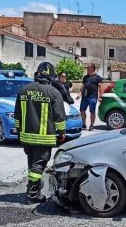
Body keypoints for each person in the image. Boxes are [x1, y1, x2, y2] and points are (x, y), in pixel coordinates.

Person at [14, 62, 67, 204]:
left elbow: (17, 116)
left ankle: (34, 191)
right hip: (44, 138)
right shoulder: (53, 92)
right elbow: (59, 117)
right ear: (50, 76)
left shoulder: (23, 91)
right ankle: (31, 195)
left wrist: (19, 132)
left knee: (32, 165)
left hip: (26, 136)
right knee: (38, 166)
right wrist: (62, 132)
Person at [78, 63, 103, 129]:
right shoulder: (85, 77)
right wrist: (79, 94)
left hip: (93, 97)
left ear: (92, 68)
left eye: (88, 68)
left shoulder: (98, 77)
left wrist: (100, 97)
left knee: (92, 111)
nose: (87, 69)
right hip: (84, 97)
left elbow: (100, 87)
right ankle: (84, 124)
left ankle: (91, 125)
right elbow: (83, 86)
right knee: (82, 110)